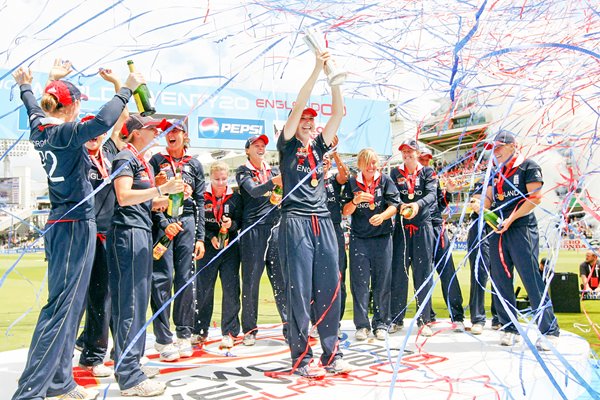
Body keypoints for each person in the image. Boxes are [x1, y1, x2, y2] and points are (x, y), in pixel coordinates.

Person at [11, 59, 142, 400]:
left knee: (63, 305)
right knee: (62, 310)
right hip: (75, 225)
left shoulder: (39, 127)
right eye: (78, 104)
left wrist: (31, 85)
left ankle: (58, 381)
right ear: (70, 109)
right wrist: (127, 87)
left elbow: (32, 106)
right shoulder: (66, 132)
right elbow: (102, 121)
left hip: (59, 224)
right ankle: (31, 390)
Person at [277, 50, 351, 377]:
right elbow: (299, 103)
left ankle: (331, 354)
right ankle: (301, 359)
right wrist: (315, 70)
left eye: (311, 121)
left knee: (329, 288)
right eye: (303, 121)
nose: (307, 125)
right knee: (300, 291)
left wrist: (334, 79)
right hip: (295, 222)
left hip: (323, 221)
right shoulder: (287, 145)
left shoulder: (320, 147)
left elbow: (338, 112)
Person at [108, 114, 184, 396]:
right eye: (151, 129)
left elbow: (148, 203)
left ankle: (130, 363)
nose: (156, 133)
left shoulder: (138, 160)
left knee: (138, 302)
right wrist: (162, 189)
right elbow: (124, 196)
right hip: (127, 233)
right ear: (137, 132)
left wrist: (169, 196)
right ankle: (129, 377)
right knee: (130, 303)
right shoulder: (124, 157)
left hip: (139, 231)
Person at [483, 131, 560, 350]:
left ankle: (549, 330)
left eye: (499, 147)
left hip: (521, 227)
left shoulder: (528, 166)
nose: (495, 152)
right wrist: (480, 206)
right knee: (500, 279)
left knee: (530, 278)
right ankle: (509, 327)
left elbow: (534, 198)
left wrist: (511, 218)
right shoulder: (495, 172)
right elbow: (488, 197)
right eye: (493, 149)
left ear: (512, 146)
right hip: (498, 230)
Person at [76, 68, 129, 377]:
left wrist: (118, 85)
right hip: (81, 236)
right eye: (89, 132)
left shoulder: (108, 153)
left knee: (102, 295)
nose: (95, 137)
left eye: (98, 132)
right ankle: (74, 347)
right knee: (76, 299)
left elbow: (120, 118)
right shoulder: (75, 155)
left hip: (105, 236)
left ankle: (94, 355)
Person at [149, 119, 206, 361]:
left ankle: (183, 334)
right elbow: (149, 194)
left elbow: (202, 202)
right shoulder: (155, 161)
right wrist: (163, 223)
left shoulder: (194, 164)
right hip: (163, 223)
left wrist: (201, 237)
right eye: (166, 132)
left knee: (184, 279)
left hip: (187, 222)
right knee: (162, 278)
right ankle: (163, 339)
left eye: (175, 131)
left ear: (185, 135)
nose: (170, 135)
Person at [342, 148, 399, 341]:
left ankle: (381, 323)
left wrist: (383, 216)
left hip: (383, 238)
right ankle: (362, 325)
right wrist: (356, 201)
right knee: (359, 283)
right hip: (360, 240)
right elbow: (345, 211)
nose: (371, 166)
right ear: (359, 164)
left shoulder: (384, 180)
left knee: (382, 282)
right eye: (367, 162)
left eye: (374, 162)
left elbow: (395, 206)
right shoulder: (352, 182)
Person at [235, 134, 287, 346]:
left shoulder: (274, 170)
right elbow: (255, 191)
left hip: (275, 227)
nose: (260, 148)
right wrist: (273, 183)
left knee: (281, 280)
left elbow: (282, 193)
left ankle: (289, 327)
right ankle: (250, 330)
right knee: (250, 282)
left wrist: (280, 186)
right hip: (253, 231)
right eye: (256, 145)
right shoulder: (243, 170)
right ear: (247, 150)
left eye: (263, 145)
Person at [390, 139, 436, 337]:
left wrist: (417, 205)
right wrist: (401, 206)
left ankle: (424, 320)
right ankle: (396, 318)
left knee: (423, 273)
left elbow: (432, 194)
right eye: (404, 151)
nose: (407, 154)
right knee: (399, 274)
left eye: (410, 151)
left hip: (422, 227)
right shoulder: (395, 173)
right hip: (401, 228)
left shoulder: (427, 172)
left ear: (417, 153)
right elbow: (391, 195)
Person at [194, 161, 243, 348]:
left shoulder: (235, 197)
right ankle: (199, 330)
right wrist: (210, 236)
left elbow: (241, 221)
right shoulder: (202, 197)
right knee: (204, 289)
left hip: (230, 247)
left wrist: (232, 226)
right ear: (210, 178)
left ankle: (229, 332)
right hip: (207, 247)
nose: (221, 183)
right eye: (217, 179)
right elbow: (198, 222)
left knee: (231, 290)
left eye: (224, 179)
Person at [418, 148, 465, 332]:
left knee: (447, 273)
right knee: (424, 275)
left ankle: (457, 317)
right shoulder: (407, 178)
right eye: (422, 159)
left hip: (437, 228)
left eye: (428, 160)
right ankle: (427, 317)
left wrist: (450, 193)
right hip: (419, 231)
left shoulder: (433, 179)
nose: (425, 163)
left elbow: (441, 204)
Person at [465, 187, 500, 335]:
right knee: (479, 274)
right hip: (479, 228)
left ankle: (499, 317)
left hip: (498, 225)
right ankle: (478, 318)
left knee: (500, 275)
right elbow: (475, 202)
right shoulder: (482, 182)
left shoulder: (502, 181)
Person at [323, 141, 350, 330]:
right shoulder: (308, 180)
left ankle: (336, 322)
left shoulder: (333, 180)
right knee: (316, 277)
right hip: (314, 230)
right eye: (321, 160)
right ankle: (318, 319)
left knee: (339, 275)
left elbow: (345, 176)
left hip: (334, 229)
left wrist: (334, 154)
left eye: (326, 160)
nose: (323, 163)